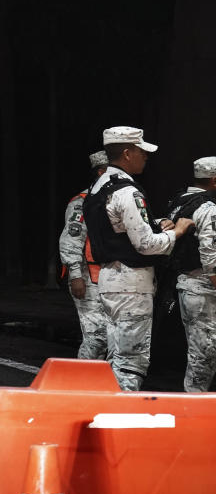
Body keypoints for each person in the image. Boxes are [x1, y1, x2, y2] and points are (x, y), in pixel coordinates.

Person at [83, 127, 194, 391]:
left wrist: (155, 223)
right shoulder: (126, 191)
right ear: (126, 153)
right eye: (141, 151)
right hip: (131, 284)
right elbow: (145, 245)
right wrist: (177, 232)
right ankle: (119, 421)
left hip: (109, 280)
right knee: (130, 363)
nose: (145, 156)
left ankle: (102, 412)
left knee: (114, 356)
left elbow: (115, 228)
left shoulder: (98, 186)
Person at [166, 157, 216, 392]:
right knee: (205, 356)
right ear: (214, 180)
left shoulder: (182, 201)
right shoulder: (208, 208)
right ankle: (194, 409)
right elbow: (211, 260)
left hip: (187, 286)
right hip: (204, 290)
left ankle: (194, 402)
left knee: (198, 353)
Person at [58, 150, 109, 361]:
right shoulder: (82, 202)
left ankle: (100, 386)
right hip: (88, 277)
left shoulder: (114, 198)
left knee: (110, 339)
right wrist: (75, 276)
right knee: (97, 338)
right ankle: (80, 382)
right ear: (100, 172)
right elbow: (71, 240)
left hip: (109, 277)